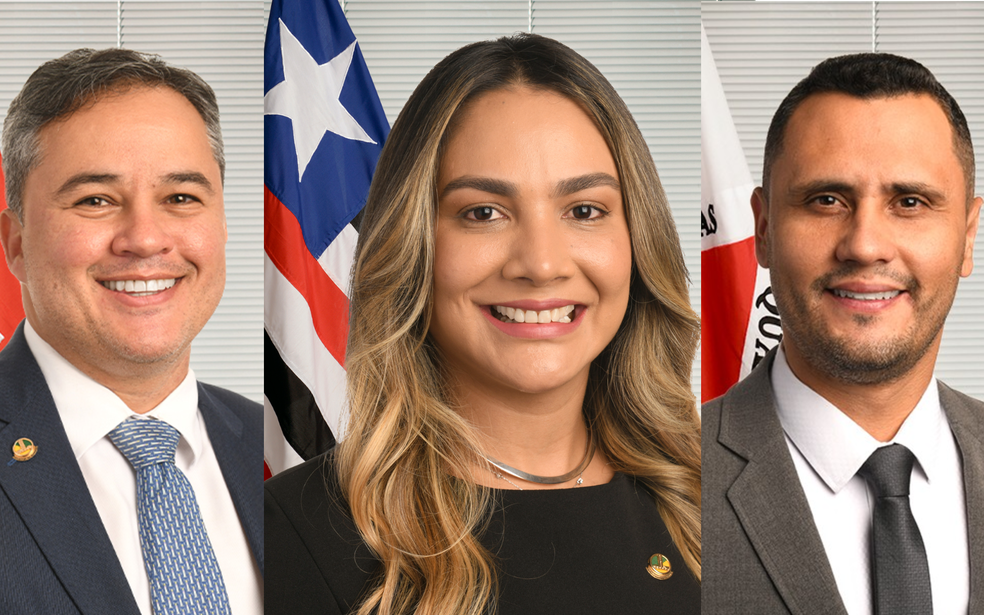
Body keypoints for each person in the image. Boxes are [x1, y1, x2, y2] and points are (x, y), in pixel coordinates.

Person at [264, 33, 701, 615]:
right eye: (483, 213)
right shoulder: (291, 531)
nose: (542, 264)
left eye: (585, 211)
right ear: (413, 245)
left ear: (636, 241)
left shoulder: (716, 501)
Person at [702, 52, 984, 614]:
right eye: (826, 200)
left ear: (968, 235)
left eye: (910, 201)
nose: (864, 244)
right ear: (763, 229)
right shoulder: (667, 480)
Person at [0, 49, 262, 615]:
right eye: (96, 200)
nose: (145, 239)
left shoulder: (288, 451)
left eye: (180, 198)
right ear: (15, 241)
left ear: (221, 225)